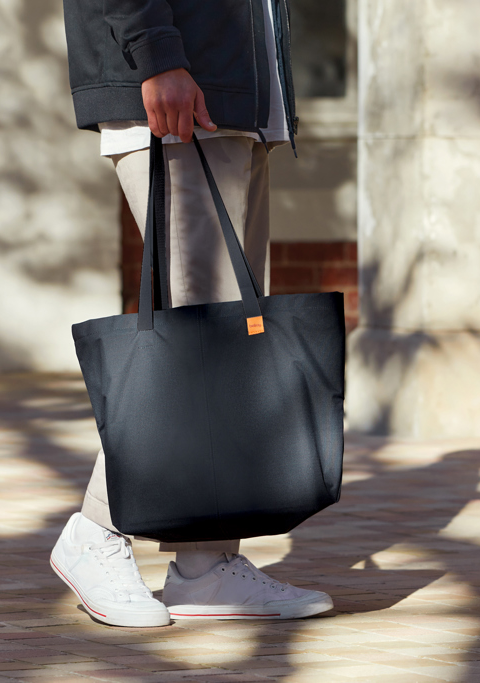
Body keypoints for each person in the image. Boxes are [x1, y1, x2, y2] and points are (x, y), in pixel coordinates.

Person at [50, 0, 335, 627]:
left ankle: (205, 565)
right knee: (197, 348)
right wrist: (157, 54)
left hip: (235, 99)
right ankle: (96, 531)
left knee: (226, 350)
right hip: (183, 91)